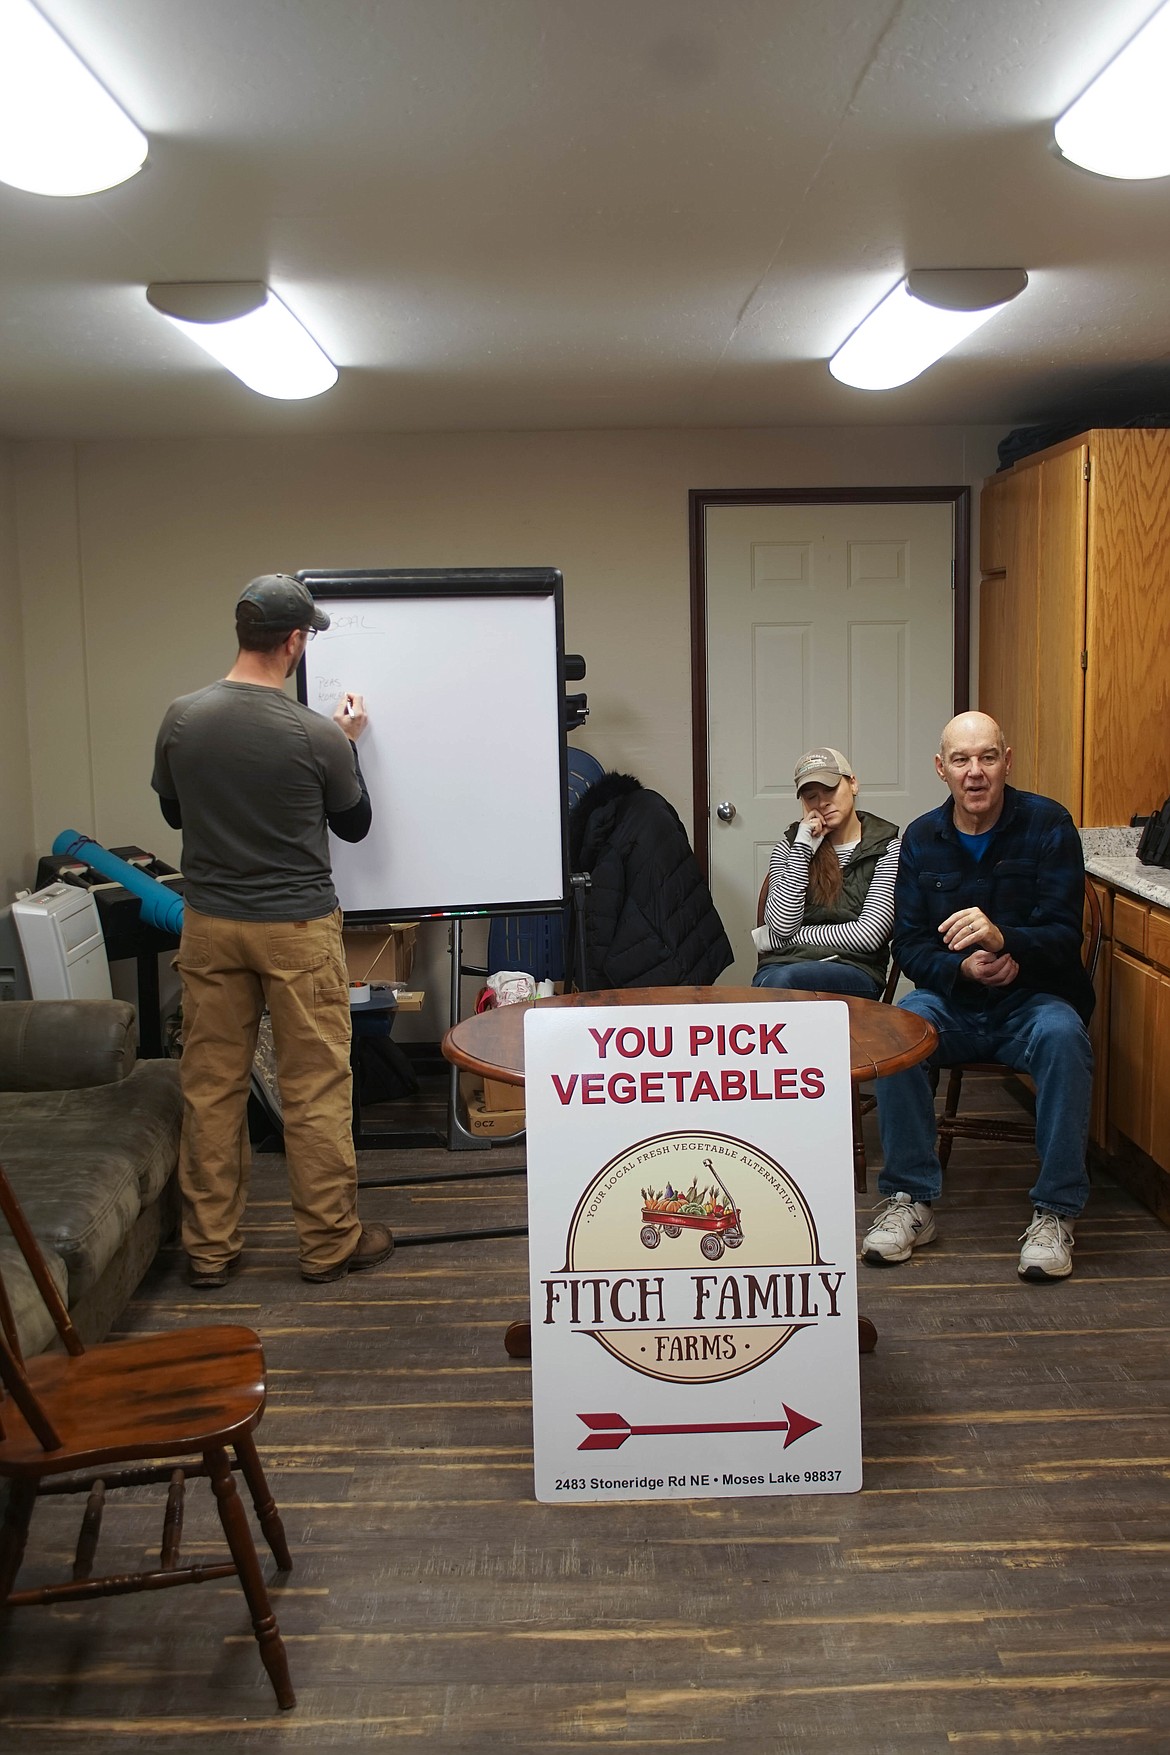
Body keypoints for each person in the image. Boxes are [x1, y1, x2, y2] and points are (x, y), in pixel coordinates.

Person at [152, 573, 395, 1288]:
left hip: (211, 926)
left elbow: (174, 815)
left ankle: (210, 1251)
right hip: (295, 928)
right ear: (293, 642)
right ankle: (326, 1247)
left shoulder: (181, 718)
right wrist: (346, 741)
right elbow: (356, 824)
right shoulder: (315, 734)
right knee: (315, 1088)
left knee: (211, 1089)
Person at [864, 711, 1094, 1282]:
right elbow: (910, 944)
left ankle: (1056, 1212)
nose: (975, 773)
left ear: (1006, 762)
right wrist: (962, 967)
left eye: (987, 758)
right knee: (900, 1027)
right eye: (962, 761)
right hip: (954, 1004)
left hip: (1033, 1003)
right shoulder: (920, 838)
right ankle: (909, 1201)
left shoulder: (1048, 825)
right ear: (941, 769)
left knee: (1065, 1036)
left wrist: (1007, 940)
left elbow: (1067, 935)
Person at [752, 747, 900, 999]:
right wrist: (802, 847)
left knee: (780, 985)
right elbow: (781, 925)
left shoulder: (887, 848)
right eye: (811, 797)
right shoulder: (789, 848)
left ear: (853, 784)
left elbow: (869, 936)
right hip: (783, 967)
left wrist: (778, 940)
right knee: (774, 983)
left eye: (830, 790)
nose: (822, 803)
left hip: (853, 969)